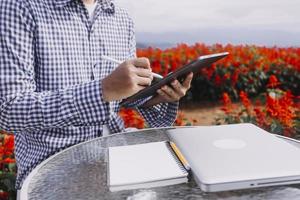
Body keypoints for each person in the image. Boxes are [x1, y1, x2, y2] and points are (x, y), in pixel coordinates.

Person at [0, 0, 193, 191]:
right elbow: (9, 110)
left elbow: (124, 95)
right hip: (52, 171)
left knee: (193, 180)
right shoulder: (19, 6)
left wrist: (159, 96)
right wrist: (103, 90)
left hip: (118, 158)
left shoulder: (120, 17)